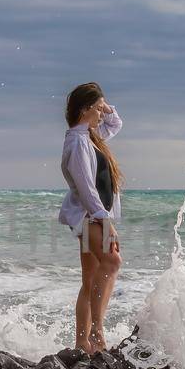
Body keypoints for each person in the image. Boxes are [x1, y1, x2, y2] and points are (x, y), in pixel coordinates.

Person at [59, 82, 123, 352]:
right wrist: (103, 219)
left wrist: (106, 106)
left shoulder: (89, 137)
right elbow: (86, 186)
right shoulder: (77, 142)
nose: (101, 114)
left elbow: (115, 124)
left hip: (93, 218)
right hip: (90, 219)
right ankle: (97, 332)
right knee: (112, 262)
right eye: (97, 109)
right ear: (85, 110)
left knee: (90, 278)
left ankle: (82, 342)